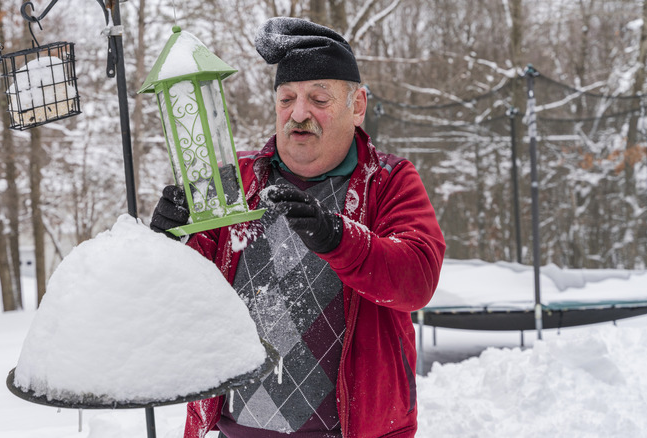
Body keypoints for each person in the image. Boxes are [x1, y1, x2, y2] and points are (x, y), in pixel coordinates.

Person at [151, 17, 445, 438]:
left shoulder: (388, 180)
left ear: (357, 106)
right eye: (287, 98)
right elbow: (181, 295)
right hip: (235, 432)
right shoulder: (235, 181)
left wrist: (339, 238)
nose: (299, 113)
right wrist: (165, 242)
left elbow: (416, 280)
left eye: (319, 98)